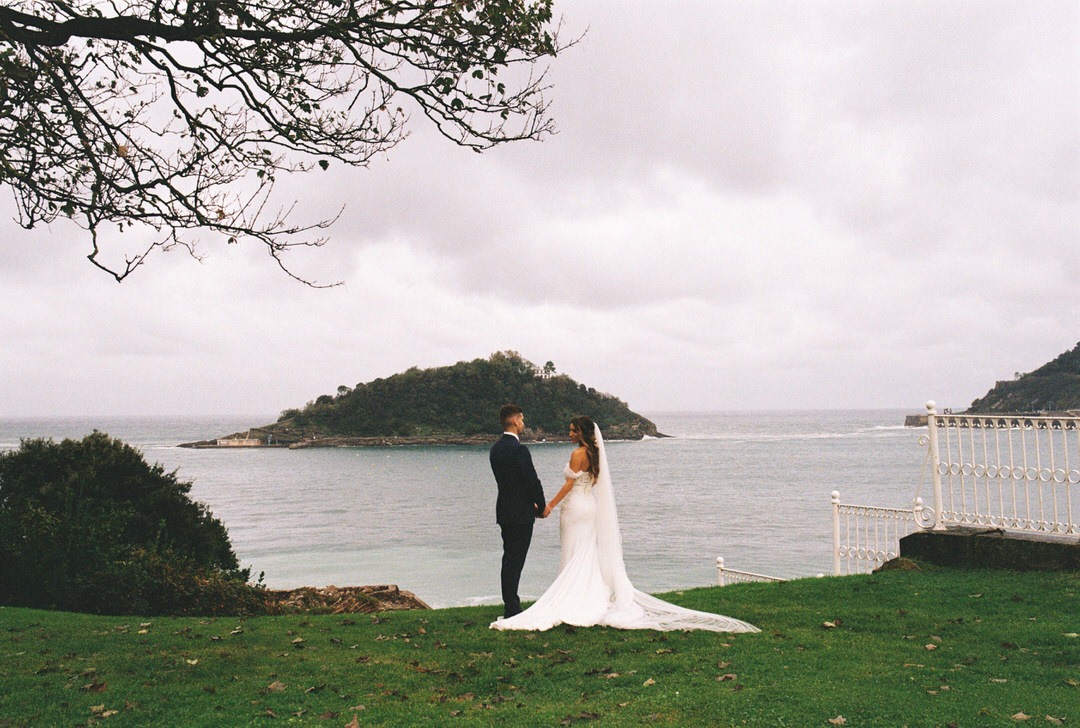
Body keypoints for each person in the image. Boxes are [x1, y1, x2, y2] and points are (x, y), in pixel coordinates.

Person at [491, 416, 759, 633]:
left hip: (574, 508)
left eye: (573, 430)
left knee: (572, 550)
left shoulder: (576, 454)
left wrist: (548, 505)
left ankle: (569, 595)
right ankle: (587, 592)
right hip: (590, 507)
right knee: (586, 551)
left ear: (582, 433)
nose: (569, 433)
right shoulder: (595, 456)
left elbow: (569, 485)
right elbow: (590, 483)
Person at [489, 404, 547, 619]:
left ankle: (510, 603)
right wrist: (541, 506)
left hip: (504, 510)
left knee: (509, 559)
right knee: (516, 560)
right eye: (521, 419)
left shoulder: (495, 449)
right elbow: (531, 481)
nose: (523, 423)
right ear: (514, 421)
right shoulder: (519, 450)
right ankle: (512, 607)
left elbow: (510, 483)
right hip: (521, 513)